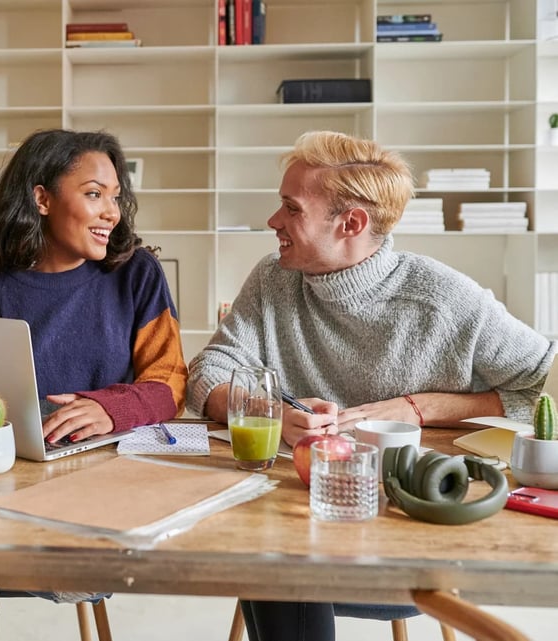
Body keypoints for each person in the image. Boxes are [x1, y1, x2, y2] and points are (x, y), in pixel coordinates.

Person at [187, 130, 557, 641]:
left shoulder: (445, 299)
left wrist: (422, 407)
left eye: (291, 209)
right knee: (274, 559)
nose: (274, 222)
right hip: (292, 521)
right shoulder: (273, 279)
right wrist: (263, 408)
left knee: (278, 569)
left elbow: (548, 392)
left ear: (351, 223)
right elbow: (210, 368)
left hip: (407, 529)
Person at [0, 128, 188, 640]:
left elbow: (171, 381)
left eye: (115, 196)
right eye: (93, 194)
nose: (111, 211)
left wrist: (111, 407)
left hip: (94, 492)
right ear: (41, 199)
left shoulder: (136, 275)